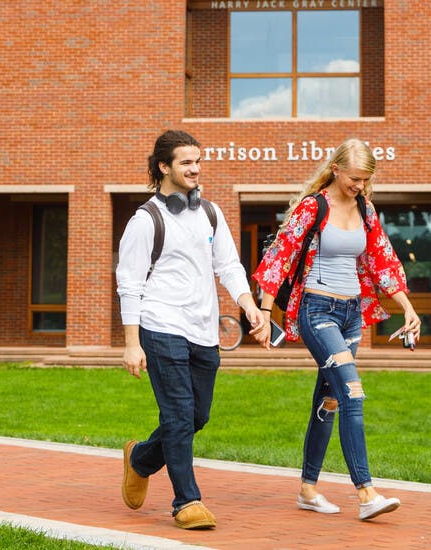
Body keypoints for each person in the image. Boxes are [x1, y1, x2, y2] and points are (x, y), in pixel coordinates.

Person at [252, 138, 417, 522]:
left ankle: (308, 489)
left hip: (351, 315)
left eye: (365, 180)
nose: (359, 185)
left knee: (328, 400)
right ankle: (367, 493)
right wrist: (263, 312)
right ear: (337, 169)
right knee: (352, 394)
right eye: (355, 178)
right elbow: (280, 256)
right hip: (318, 310)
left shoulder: (365, 208)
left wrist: (408, 307)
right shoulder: (315, 206)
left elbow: (382, 260)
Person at [115, 130, 269, 530]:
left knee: (197, 415)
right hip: (161, 325)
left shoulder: (210, 213)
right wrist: (132, 344)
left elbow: (229, 265)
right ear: (163, 167)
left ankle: (140, 460)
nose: (195, 168)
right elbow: (129, 284)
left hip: (204, 329)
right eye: (186, 162)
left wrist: (248, 303)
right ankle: (187, 501)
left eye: (198, 161)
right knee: (179, 414)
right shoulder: (145, 220)